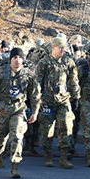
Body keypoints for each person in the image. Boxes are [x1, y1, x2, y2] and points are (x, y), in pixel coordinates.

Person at [0, 48, 40, 178]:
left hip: (18, 109)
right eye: (15, 58)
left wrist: (35, 111)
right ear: (11, 59)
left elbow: (34, 94)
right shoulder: (1, 72)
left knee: (17, 136)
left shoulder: (28, 74)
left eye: (20, 58)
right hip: (2, 110)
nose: (17, 60)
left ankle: (15, 166)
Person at [36, 35, 80, 169]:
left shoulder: (68, 62)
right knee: (47, 128)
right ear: (53, 47)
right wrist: (37, 98)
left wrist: (75, 97)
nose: (62, 50)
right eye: (60, 48)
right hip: (48, 100)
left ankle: (63, 157)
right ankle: (48, 154)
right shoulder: (44, 63)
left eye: (64, 48)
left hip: (63, 100)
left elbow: (73, 81)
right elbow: (37, 81)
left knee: (66, 126)